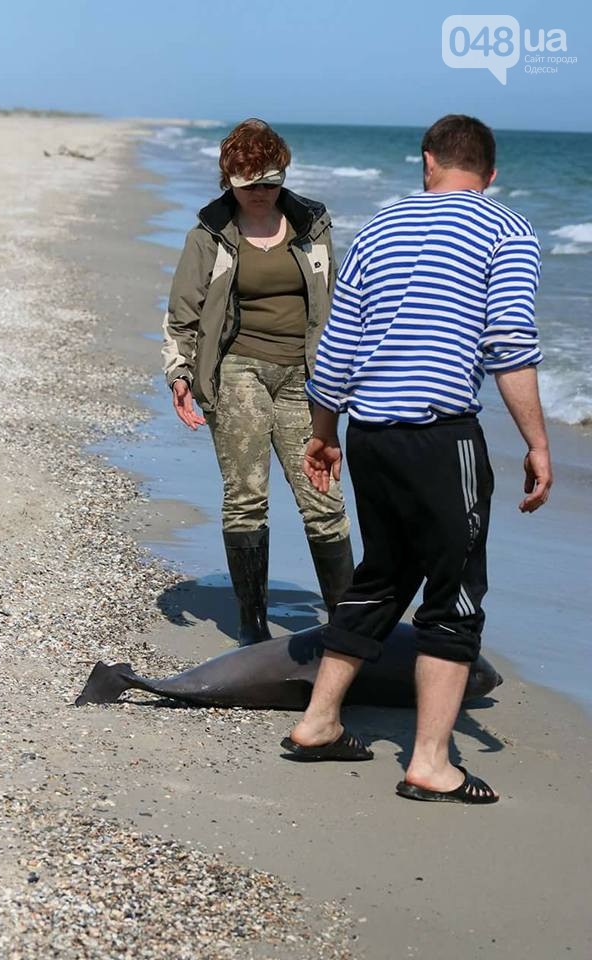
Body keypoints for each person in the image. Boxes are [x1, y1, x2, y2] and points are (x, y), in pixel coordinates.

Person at [280, 115, 553, 805]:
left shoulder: (380, 228)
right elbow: (509, 340)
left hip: (370, 434)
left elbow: (338, 340)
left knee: (381, 578)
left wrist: (323, 430)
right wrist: (537, 443)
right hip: (441, 437)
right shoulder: (507, 230)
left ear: (427, 162)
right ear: (489, 176)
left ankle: (317, 723)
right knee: (455, 596)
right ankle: (430, 762)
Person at [162, 119, 353, 645]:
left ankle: (348, 624)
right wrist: (179, 375)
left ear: (283, 175)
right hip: (238, 369)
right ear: (230, 181)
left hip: (305, 378)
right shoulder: (209, 235)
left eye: (270, 183)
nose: (261, 196)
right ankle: (252, 627)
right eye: (249, 187)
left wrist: (348, 375)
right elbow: (182, 313)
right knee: (247, 496)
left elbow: (337, 302)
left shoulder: (313, 226)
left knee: (324, 499)